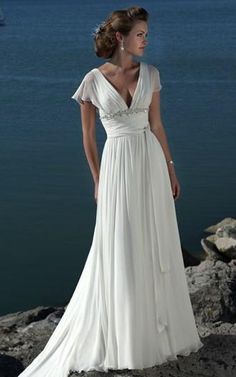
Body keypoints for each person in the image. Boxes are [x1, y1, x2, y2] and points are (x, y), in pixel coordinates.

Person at [18, 5, 204, 377]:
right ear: (121, 37)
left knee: (155, 241)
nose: (146, 40)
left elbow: (157, 125)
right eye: (140, 34)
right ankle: (123, 335)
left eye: (147, 34)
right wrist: (98, 180)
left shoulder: (151, 74)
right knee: (119, 243)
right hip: (116, 166)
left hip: (150, 162)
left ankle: (159, 333)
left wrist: (170, 168)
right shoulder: (91, 81)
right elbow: (88, 138)